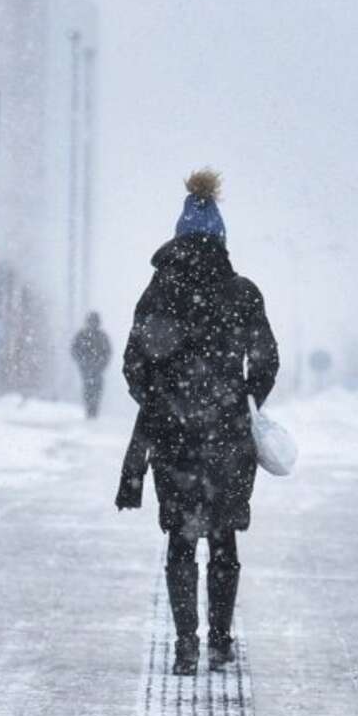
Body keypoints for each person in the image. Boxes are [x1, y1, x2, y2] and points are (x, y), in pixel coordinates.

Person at [119, 169, 279, 676]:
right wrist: (244, 400)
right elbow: (268, 360)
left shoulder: (158, 294)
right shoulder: (243, 293)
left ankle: (186, 644)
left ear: (179, 237)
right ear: (222, 241)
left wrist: (162, 402)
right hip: (228, 438)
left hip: (173, 438)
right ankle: (220, 639)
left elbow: (133, 363)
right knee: (224, 539)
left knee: (182, 541)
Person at [70, 312, 112, 419]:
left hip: (97, 369)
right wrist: (82, 363)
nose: (93, 324)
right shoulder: (82, 335)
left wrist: (101, 365)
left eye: (95, 321)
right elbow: (74, 350)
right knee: (88, 389)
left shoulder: (102, 336)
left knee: (96, 389)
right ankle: (89, 409)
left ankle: (94, 409)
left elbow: (107, 353)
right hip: (86, 368)